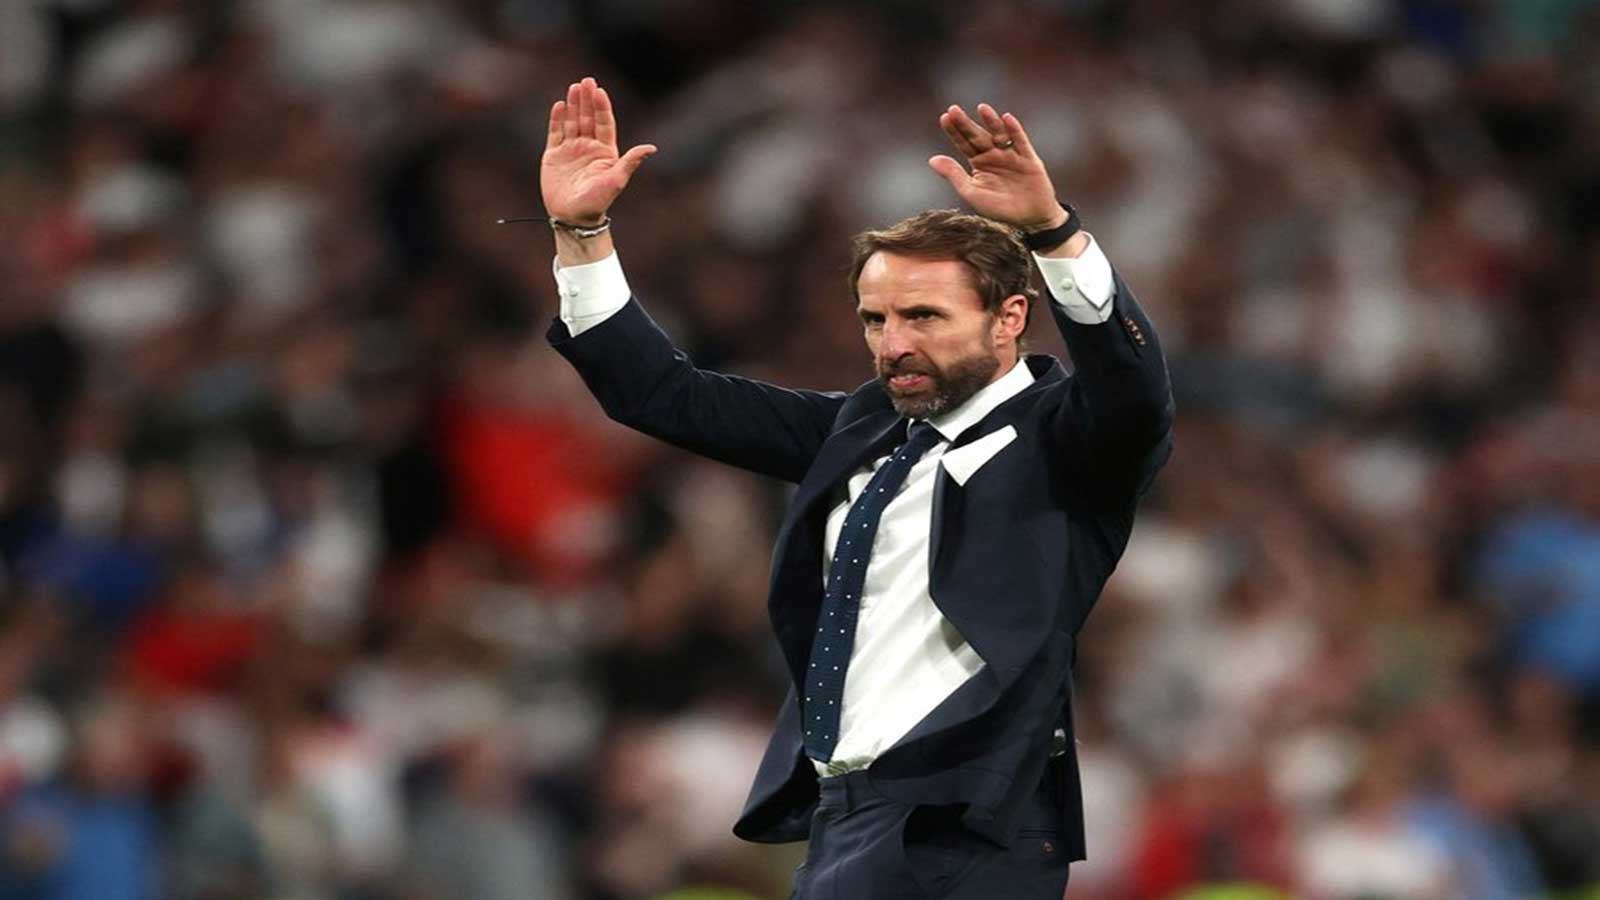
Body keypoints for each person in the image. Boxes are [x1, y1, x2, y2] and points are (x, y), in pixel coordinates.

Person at [541, 77, 1173, 899]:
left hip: (963, 818)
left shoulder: (1066, 442)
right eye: (877, 320)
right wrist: (582, 232)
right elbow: (662, 394)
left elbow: (1133, 390)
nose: (893, 344)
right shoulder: (862, 429)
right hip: (849, 816)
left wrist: (1054, 234)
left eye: (924, 317)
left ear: (1010, 317)